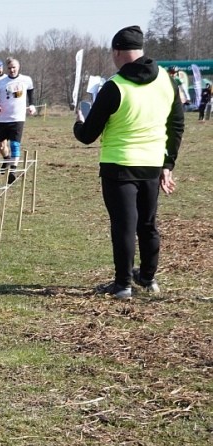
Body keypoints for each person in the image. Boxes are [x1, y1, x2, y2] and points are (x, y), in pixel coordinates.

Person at [73, 25, 184, 299]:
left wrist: (78, 123)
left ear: (118, 52)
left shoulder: (114, 87)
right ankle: (147, 277)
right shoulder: (167, 82)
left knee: (124, 226)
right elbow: (177, 125)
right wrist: (167, 164)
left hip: (118, 166)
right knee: (147, 224)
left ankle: (122, 284)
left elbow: (88, 136)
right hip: (152, 166)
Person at [0, 57, 36, 184]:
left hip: (18, 118)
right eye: (9, 68)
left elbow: (31, 92)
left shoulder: (26, 80)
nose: (12, 70)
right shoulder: (1, 82)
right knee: (1, 146)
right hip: (3, 119)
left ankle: (13, 171)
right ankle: (6, 159)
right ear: (7, 69)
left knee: (15, 144)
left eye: (14, 67)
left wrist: (32, 104)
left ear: (18, 67)